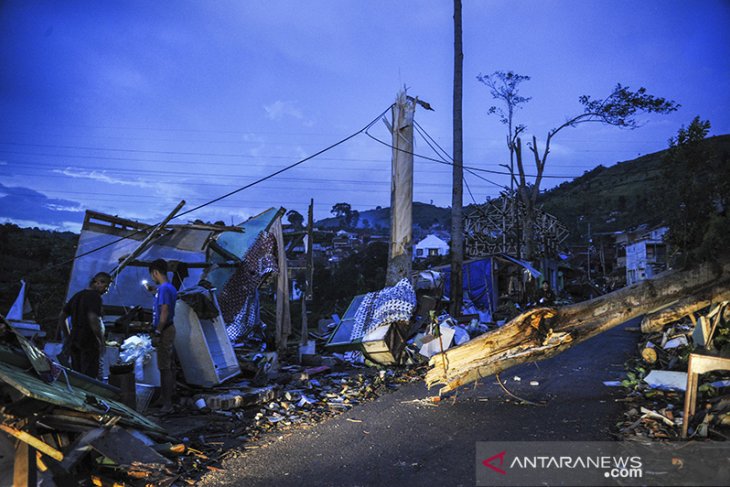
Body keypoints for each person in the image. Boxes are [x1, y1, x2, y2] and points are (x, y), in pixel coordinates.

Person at [58, 272, 111, 379]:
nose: (107, 289)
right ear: (97, 282)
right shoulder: (95, 297)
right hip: (88, 342)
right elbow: (93, 318)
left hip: (75, 340)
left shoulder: (78, 295)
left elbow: (62, 316)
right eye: (106, 285)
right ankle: (88, 396)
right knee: (89, 378)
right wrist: (101, 340)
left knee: (77, 376)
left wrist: (68, 336)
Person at [146, 258, 177, 413]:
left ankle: (168, 404)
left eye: (152, 275)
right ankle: (164, 399)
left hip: (164, 330)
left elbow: (164, 312)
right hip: (167, 328)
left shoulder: (164, 289)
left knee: (164, 368)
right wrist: (154, 293)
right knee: (165, 366)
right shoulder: (167, 288)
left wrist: (157, 331)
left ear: (155, 272)